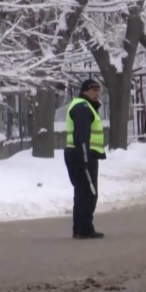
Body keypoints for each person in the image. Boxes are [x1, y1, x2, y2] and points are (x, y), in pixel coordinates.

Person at [64, 79, 106, 239]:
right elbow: (81, 136)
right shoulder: (82, 107)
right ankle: (85, 228)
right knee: (88, 193)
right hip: (81, 155)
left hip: (78, 154)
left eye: (98, 89)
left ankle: (79, 228)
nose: (97, 92)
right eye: (93, 89)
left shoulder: (83, 105)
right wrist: (85, 158)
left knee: (82, 192)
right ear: (85, 91)